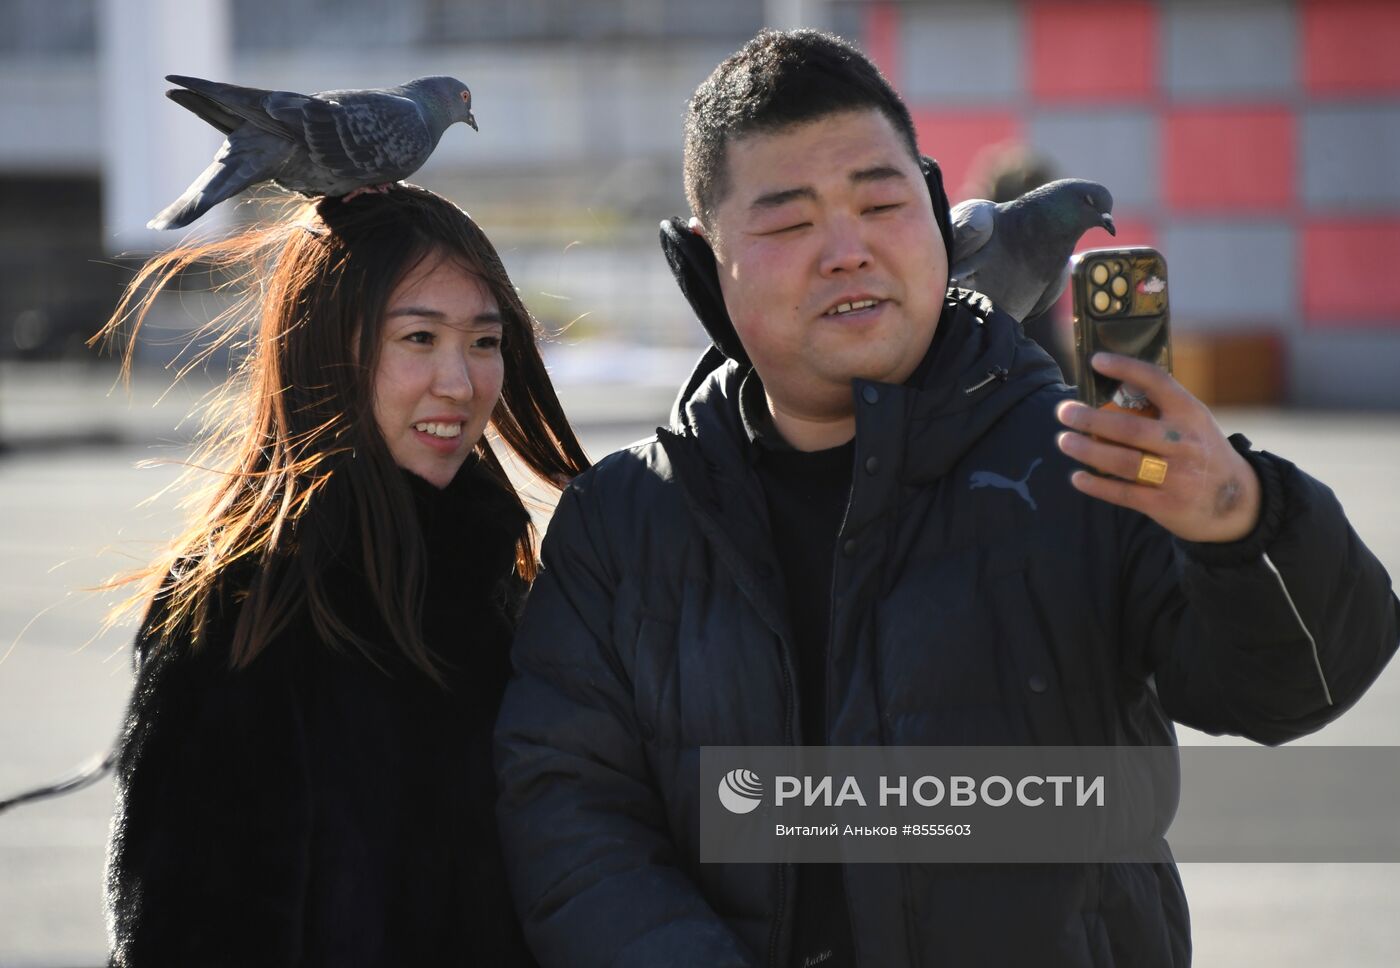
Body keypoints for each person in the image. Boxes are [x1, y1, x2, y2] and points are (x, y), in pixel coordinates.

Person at [494, 29, 1398, 968]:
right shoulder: (623, 522)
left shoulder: (1084, 463)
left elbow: (1303, 688)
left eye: (881, 203)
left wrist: (1244, 526)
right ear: (700, 266)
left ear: (935, 215)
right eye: (789, 222)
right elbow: (570, 812)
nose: (847, 251)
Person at [99, 184, 588, 966]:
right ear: (326, 348)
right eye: (419, 338)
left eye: (484, 342)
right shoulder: (248, 607)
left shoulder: (498, 583)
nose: (460, 384)